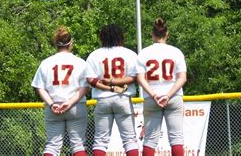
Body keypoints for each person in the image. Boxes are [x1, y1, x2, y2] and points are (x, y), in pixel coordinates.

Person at [31, 26, 89, 156]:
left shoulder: (46, 63)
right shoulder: (80, 62)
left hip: (54, 107)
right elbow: (85, 86)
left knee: (52, 146)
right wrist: (70, 103)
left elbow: (39, 87)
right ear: (71, 43)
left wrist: (51, 104)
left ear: (55, 43)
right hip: (75, 106)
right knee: (78, 145)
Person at [86, 24, 139, 156]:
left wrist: (109, 86)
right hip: (123, 98)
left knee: (100, 141)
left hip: (103, 99)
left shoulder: (95, 54)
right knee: (130, 140)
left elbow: (91, 80)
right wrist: (116, 85)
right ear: (120, 36)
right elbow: (134, 77)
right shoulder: (130, 54)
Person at [136, 18, 187, 156]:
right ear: (167, 34)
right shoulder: (176, 52)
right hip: (173, 96)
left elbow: (140, 78)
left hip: (153, 98)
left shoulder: (144, 53)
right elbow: (182, 78)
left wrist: (154, 95)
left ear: (152, 34)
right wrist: (168, 95)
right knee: (176, 138)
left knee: (150, 140)